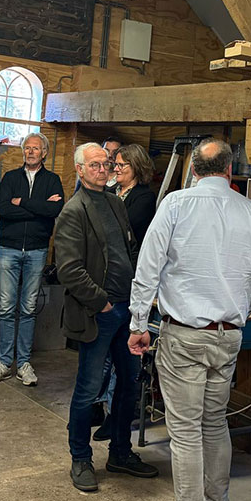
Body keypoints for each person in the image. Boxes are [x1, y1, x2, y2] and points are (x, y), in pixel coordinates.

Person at [128, 137, 251, 501]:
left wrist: (139, 323)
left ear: (193, 169)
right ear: (229, 170)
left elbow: (148, 267)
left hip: (185, 335)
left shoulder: (175, 204)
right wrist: (235, 312)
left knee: (186, 432)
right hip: (228, 336)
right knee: (214, 424)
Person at [56, 142, 159, 493]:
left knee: (129, 384)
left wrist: (138, 294)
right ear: (80, 170)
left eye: (107, 164)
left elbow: (130, 250)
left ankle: (120, 452)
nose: (103, 170)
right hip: (99, 313)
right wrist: (101, 303)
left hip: (127, 310)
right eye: (95, 165)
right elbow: (69, 270)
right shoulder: (73, 211)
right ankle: (80, 457)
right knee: (88, 389)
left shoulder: (115, 203)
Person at [0, 131, 64, 387]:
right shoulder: (10, 177)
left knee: (28, 308)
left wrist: (23, 203)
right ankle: (4, 363)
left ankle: (24, 364)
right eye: (27, 148)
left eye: (35, 148)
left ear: (44, 153)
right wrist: (38, 207)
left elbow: (54, 210)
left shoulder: (53, 180)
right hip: (9, 248)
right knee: (7, 307)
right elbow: (4, 209)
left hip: (36, 250)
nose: (30, 152)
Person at [94, 142, 157, 442]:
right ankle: (99, 406)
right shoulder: (111, 192)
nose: (115, 169)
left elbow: (119, 230)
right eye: (115, 164)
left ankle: (115, 414)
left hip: (130, 280)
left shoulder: (143, 198)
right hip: (107, 278)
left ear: (136, 167)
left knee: (122, 352)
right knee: (104, 351)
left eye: (121, 165)